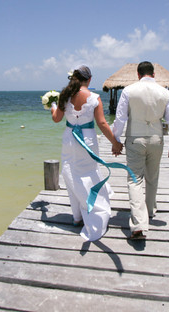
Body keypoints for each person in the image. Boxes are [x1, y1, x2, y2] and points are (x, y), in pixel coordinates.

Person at [50, 65, 124, 242]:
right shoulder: (94, 98)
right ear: (89, 79)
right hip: (88, 139)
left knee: (70, 174)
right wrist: (115, 142)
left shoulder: (65, 96)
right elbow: (103, 124)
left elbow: (56, 119)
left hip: (69, 139)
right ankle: (92, 209)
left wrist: (53, 106)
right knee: (89, 173)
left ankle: (77, 217)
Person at [112, 61, 169, 240]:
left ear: (138, 74)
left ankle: (139, 224)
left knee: (135, 180)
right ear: (154, 74)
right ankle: (149, 212)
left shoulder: (129, 91)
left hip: (135, 138)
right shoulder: (165, 93)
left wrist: (116, 140)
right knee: (152, 176)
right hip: (157, 140)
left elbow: (120, 119)